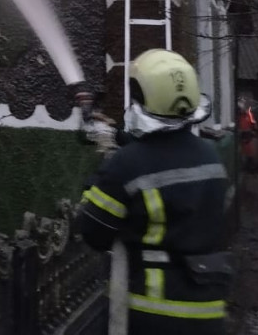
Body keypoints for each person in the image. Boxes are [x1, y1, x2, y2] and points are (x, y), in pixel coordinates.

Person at [78, 49, 232, 334]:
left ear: (144, 99)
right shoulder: (211, 156)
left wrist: (104, 170)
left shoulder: (128, 164)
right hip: (209, 309)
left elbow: (93, 231)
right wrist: (121, 139)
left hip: (153, 312)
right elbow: (166, 158)